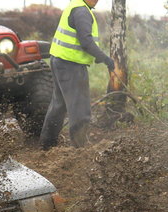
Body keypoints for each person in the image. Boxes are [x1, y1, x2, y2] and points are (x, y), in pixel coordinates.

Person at [39, 0, 115, 150]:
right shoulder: (82, 11)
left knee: (58, 105)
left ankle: (46, 145)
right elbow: (86, 41)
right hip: (70, 64)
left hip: (59, 61)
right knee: (80, 108)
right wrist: (104, 58)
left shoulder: (75, 6)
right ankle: (80, 149)